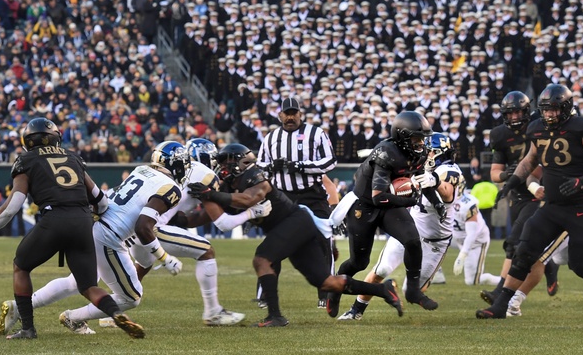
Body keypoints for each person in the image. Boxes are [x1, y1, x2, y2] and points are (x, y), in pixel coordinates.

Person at [188, 144, 402, 327]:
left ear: (239, 163)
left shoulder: (254, 175)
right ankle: (382, 289)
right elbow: (208, 216)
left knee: (262, 259)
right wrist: (171, 220)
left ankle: (275, 315)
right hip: (294, 227)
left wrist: (211, 194)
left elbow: (247, 199)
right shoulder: (228, 185)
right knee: (327, 283)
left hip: (294, 222)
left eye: (225, 163)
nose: (222, 168)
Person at [0, 118, 142, 340]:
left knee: (21, 266)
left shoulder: (27, 160)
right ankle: (116, 313)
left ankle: (28, 329)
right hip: (82, 221)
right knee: (88, 285)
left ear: (28, 141)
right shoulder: (73, 158)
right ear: (56, 137)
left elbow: (12, 206)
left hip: (55, 220)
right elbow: (100, 201)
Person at [476, 83, 583, 319]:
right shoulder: (536, 128)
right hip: (552, 206)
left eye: (554, 109)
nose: (550, 114)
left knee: (578, 264)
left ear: (566, 107)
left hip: (582, 207)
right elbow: (531, 159)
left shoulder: (581, 127)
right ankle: (501, 305)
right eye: (546, 109)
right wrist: (510, 183)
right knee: (523, 252)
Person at [20, 141, 191, 336]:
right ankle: (73, 317)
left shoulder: (141, 170)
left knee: (77, 281)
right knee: (131, 297)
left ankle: (19, 307)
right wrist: (165, 258)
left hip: (92, 224)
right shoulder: (170, 188)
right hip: (108, 235)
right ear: (176, 165)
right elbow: (143, 227)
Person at [97, 138, 245, 328]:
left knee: (144, 263)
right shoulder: (206, 175)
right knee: (206, 251)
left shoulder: (167, 171)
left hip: (133, 225)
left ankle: (114, 311)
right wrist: (249, 211)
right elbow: (220, 221)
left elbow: (187, 219)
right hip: (150, 228)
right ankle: (213, 312)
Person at [336, 133, 462, 321]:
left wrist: (434, 181)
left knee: (412, 289)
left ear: (440, 153)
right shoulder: (417, 162)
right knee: (381, 269)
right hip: (411, 228)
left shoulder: (450, 170)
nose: (426, 153)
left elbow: (447, 191)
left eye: (431, 151)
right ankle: (356, 310)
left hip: (435, 241)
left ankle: (403, 290)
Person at [327, 111, 433, 316]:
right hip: (364, 206)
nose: (421, 143)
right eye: (416, 138)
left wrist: (424, 193)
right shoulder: (386, 152)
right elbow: (377, 197)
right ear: (402, 136)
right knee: (359, 262)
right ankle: (336, 289)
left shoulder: (418, 153)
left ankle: (412, 290)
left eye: (422, 139)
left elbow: (417, 176)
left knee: (412, 240)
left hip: (390, 203)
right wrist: (409, 200)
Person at [257, 96, 337, 307]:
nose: (290, 117)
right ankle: (265, 293)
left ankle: (326, 292)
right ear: (280, 115)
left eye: (294, 113)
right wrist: (272, 167)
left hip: (312, 193)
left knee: (323, 239)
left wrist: (301, 166)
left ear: (300, 114)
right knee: (274, 243)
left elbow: (330, 162)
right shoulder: (270, 138)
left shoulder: (316, 133)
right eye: (287, 113)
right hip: (282, 196)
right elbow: (260, 166)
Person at [480, 91, 554, 306]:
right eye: (509, 114)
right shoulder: (499, 135)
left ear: (526, 111)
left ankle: (500, 292)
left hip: (540, 192)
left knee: (514, 243)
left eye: (517, 112)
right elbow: (495, 173)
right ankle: (551, 266)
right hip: (518, 196)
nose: (514, 118)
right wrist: (507, 175)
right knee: (529, 248)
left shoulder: (540, 127)